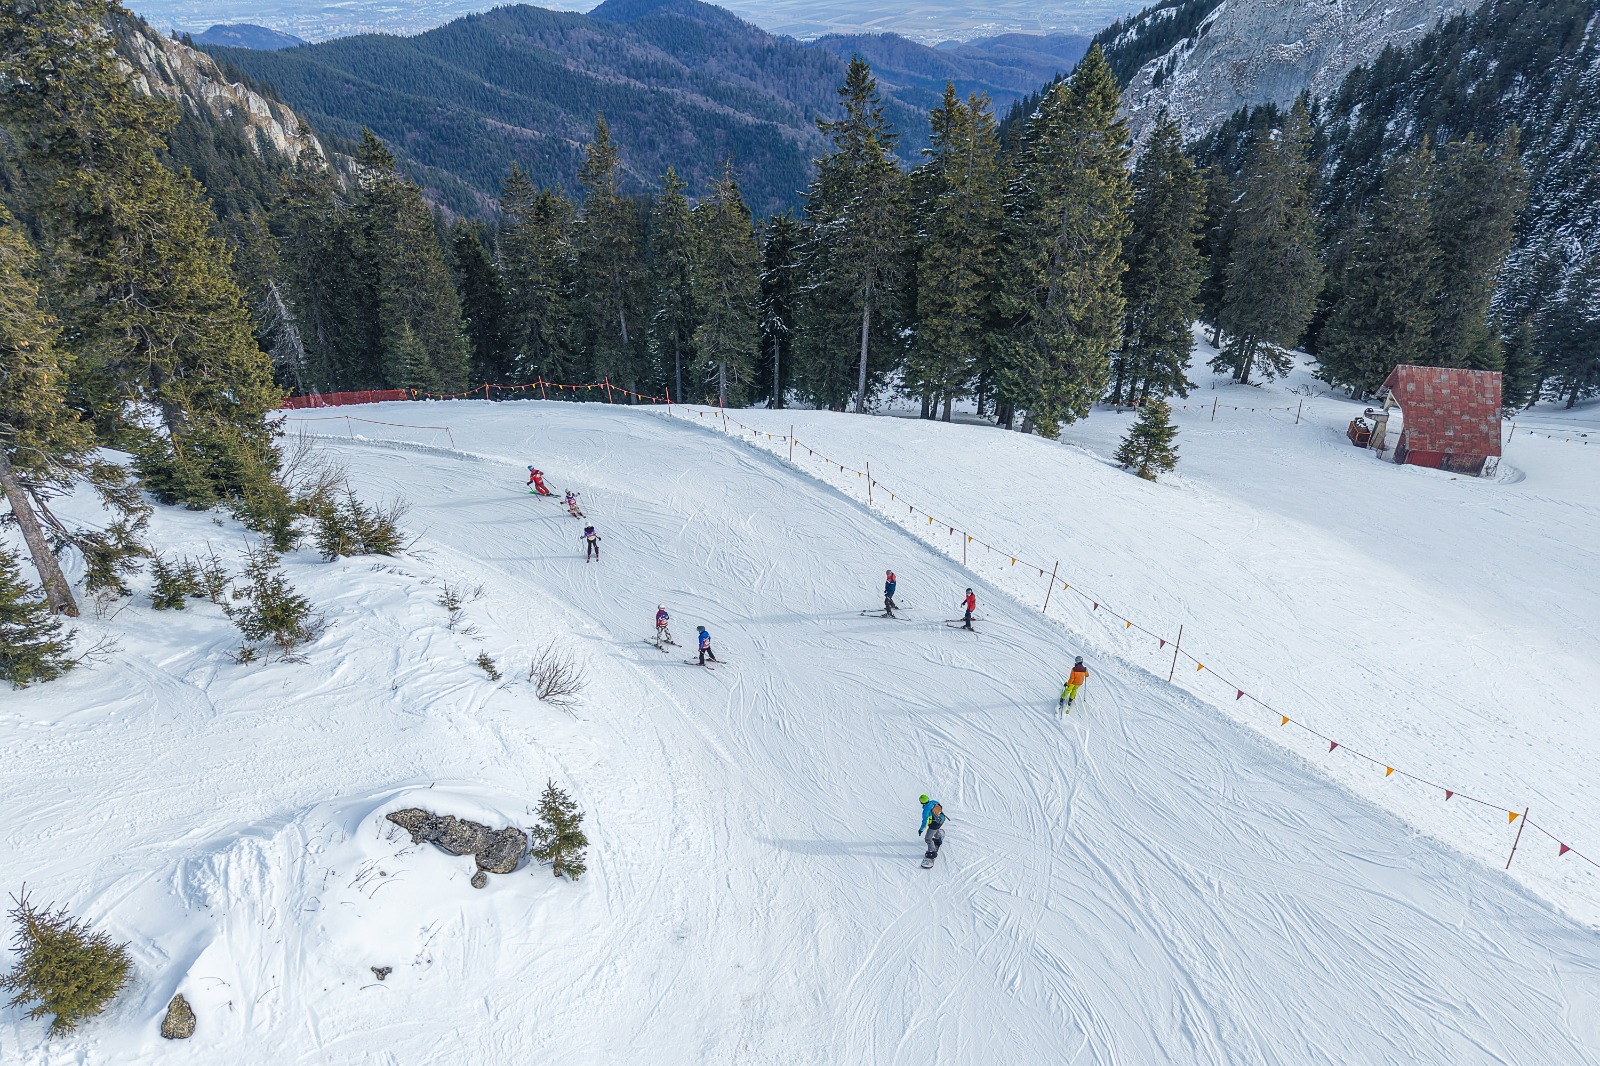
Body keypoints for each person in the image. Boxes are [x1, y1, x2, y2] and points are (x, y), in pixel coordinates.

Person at [917, 794, 947, 862]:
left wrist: (921, 830)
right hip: (942, 819)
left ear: (921, 802)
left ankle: (932, 852)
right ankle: (938, 838)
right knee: (935, 830)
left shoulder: (926, 810)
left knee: (928, 838)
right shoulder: (934, 802)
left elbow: (924, 823)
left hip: (935, 824)